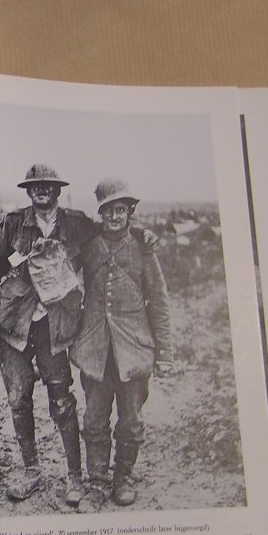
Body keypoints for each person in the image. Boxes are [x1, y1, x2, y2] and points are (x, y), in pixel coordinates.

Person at [0, 163, 100, 507]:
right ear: (28, 190)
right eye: (35, 185)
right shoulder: (13, 223)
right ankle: (32, 470)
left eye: (48, 185)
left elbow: (108, 237)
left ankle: (74, 475)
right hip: (14, 324)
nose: (42, 190)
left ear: (57, 190)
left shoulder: (76, 224)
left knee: (61, 399)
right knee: (18, 398)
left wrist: (141, 237)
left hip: (54, 326)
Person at [70, 179, 173, 512]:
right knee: (94, 420)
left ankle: (123, 478)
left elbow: (159, 301)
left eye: (121, 210)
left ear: (130, 212)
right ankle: (96, 483)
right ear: (100, 213)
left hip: (134, 351)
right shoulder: (88, 246)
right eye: (108, 210)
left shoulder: (143, 248)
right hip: (96, 350)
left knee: (131, 421)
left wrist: (165, 353)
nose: (114, 216)